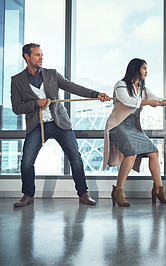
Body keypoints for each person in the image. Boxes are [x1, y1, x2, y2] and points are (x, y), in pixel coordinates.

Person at [11, 43, 111, 207]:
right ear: (26, 57)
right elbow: (16, 108)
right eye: (37, 55)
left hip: (60, 123)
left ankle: (83, 194)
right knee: (26, 161)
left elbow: (72, 87)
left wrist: (95, 94)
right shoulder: (17, 80)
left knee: (75, 158)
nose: (41, 58)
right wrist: (36, 103)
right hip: (37, 125)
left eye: (42, 54)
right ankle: (28, 195)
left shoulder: (52, 74)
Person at [103, 58, 166, 207]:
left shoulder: (142, 89)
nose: (146, 72)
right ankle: (118, 191)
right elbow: (127, 101)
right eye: (144, 68)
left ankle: (159, 190)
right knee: (131, 153)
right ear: (135, 68)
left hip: (133, 126)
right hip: (118, 125)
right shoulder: (120, 85)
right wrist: (147, 102)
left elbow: (158, 100)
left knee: (153, 153)